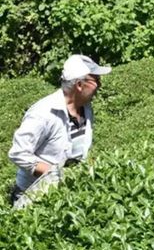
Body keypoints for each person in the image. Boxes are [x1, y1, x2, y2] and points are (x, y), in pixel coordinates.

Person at [8, 54, 111, 204]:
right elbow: (18, 153)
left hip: (65, 194)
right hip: (32, 196)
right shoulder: (43, 113)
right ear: (79, 85)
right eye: (96, 80)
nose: (100, 85)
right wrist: (56, 174)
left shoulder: (86, 108)